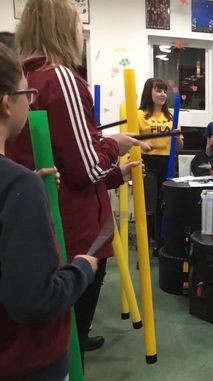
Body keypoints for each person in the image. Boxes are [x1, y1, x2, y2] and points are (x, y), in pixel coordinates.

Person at [6, 0, 140, 355]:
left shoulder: (23, 78)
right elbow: (88, 167)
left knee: (55, 333)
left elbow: (59, 160)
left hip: (42, 221)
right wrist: (114, 144)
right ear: (65, 28)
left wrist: (113, 174)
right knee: (66, 339)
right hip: (76, 231)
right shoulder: (59, 78)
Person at [0, 42, 99, 381]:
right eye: (27, 94)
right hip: (25, 374)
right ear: (7, 102)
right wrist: (81, 269)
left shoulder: (18, 184)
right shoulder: (18, 187)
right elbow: (33, 300)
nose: (31, 103)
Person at [137, 77, 183, 255]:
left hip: (167, 162)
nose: (163, 94)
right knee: (149, 204)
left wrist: (177, 138)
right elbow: (130, 140)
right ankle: (144, 245)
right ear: (149, 92)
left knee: (164, 204)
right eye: (158, 90)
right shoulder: (140, 115)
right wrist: (141, 144)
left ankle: (160, 243)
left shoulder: (171, 116)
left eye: (164, 91)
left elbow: (179, 146)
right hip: (148, 162)